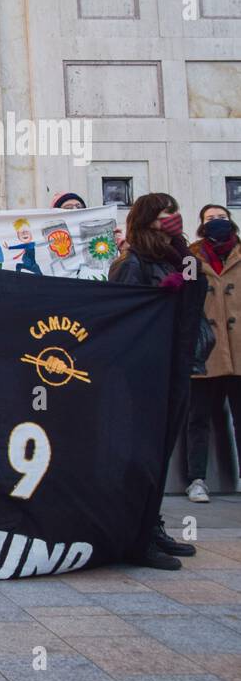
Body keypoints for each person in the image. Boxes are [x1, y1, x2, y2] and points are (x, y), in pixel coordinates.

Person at [109, 193, 202, 569]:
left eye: (176, 211)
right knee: (141, 456)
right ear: (147, 218)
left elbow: (197, 289)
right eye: (166, 212)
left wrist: (181, 251)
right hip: (142, 374)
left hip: (175, 365)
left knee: (160, 452)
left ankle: (153, 524)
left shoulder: (176, 258)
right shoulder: (131, 264)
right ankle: (136, 535)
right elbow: (121, 317)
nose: (173, 217)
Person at [186, 204, 241, 504]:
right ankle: (197, 479)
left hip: (239, 350)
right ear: (202, 226)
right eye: (210, 219)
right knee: (198, 418)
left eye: (221, 217)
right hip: (204, 351)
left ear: (230, 222)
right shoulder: (190, 258)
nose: (216, 222)